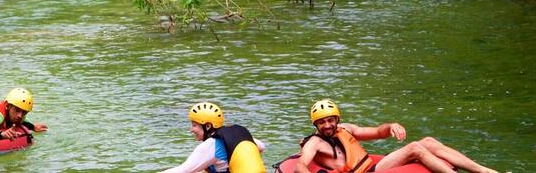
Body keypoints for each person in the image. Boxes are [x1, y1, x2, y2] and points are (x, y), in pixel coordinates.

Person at [294, 100, 497, 173]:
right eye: (322, 122)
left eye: (331, 120)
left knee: (427, 141)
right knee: (415, 148)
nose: (327, 125)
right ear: (316, 124)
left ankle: (483, 171)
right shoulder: (314, 142)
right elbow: (300, 165)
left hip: (371, 167)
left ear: (337, 119)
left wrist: (392, 125)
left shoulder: (345, 129)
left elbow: (377, 132)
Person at [161, 102, 267, 173]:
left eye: (194, 125)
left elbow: (183, 170)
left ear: (207, 126)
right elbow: (261, 147)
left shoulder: (211, 145)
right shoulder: (238, 134)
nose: (191, 130)